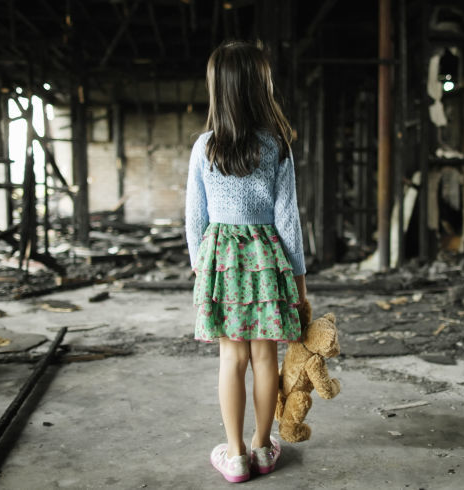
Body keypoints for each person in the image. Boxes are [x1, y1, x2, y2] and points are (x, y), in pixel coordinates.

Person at [185, 40, 307, 484]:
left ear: (218, 88)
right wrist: (300, 282)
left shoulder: (204, 147)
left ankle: (234, 455)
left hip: (220, 261)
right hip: (266, 260)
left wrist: (203, 271)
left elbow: (194, 218)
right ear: (261, 87)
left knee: (230, 361)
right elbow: (288, 219)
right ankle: (262, 446)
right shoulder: (277, 146)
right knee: (265, 359)